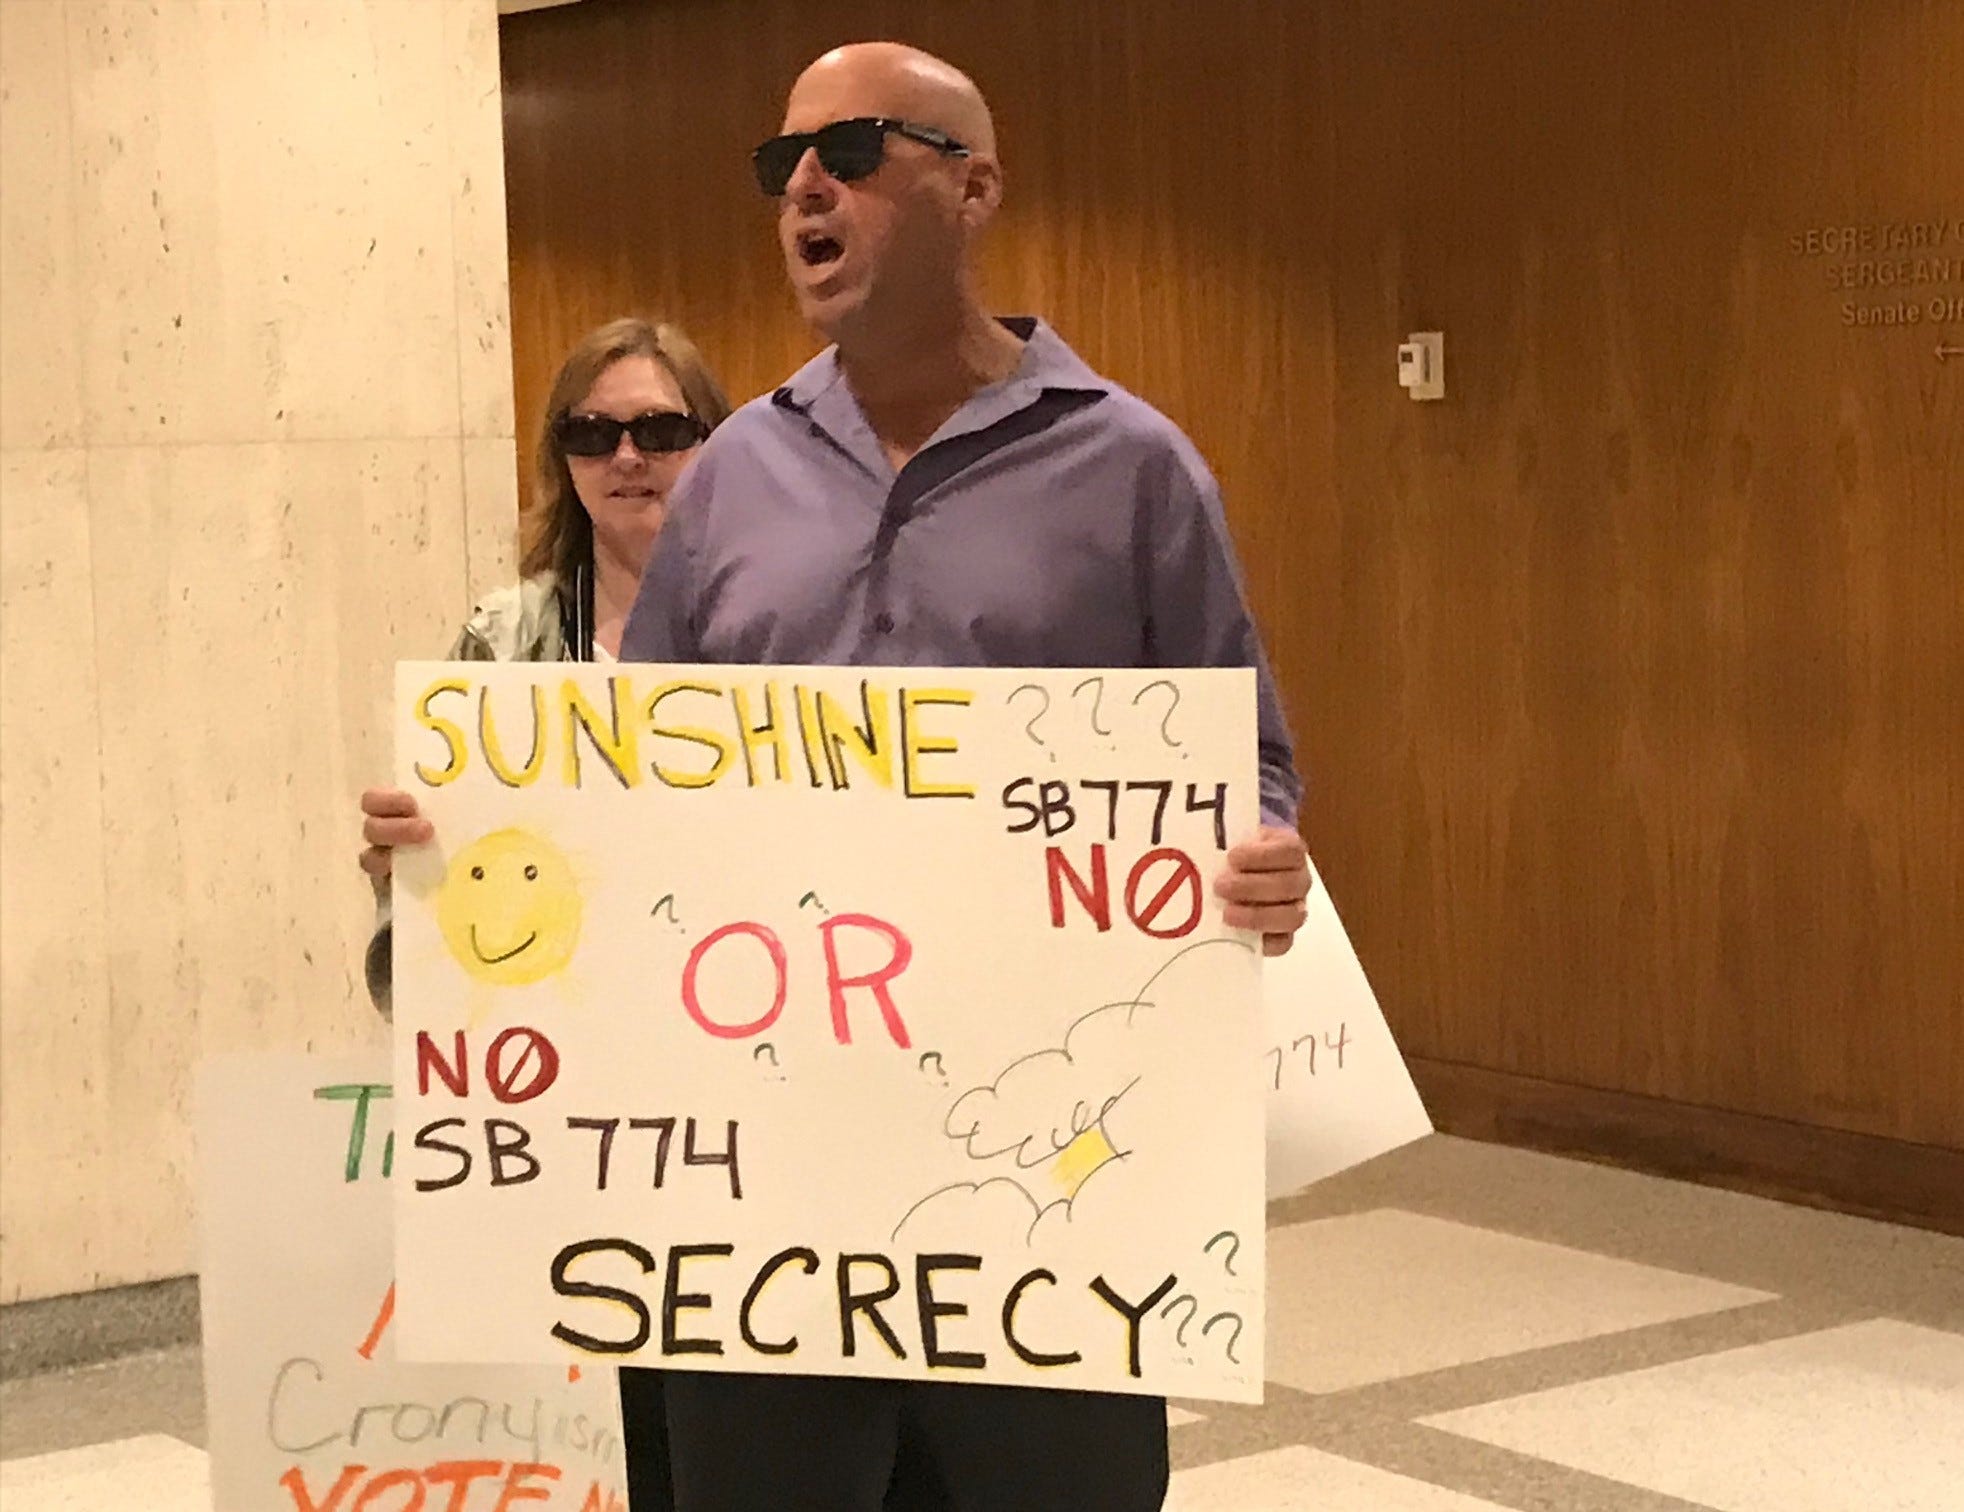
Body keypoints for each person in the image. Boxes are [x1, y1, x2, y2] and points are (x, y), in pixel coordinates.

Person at [618, 41, 1313, 1512]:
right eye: (780, 165)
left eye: (854, 149)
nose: (804, 184)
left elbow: (1238, 749)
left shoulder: (1133, 470)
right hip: (771, 1159)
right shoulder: (734, 474)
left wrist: (1258, 845)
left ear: (974, 185)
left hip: (1048, 1177)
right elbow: (627, 779)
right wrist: (463, 843)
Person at [356, 314, 732, 1512]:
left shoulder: (784, 627)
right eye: (591, 430)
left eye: (661, 429)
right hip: (565, 1088)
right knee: (596, 1401)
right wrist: (405, 860)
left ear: (713, 443)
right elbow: (445, 878)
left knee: (731, 1403)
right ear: (558, 457)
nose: (627, 456)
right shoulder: (501, 638)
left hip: (740, 1069)